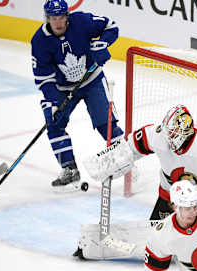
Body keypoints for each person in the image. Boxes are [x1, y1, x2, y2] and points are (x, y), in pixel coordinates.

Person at [84, 104, 197, 219]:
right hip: (170, 196)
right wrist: (108, 162)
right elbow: (129, 148)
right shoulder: (156, 134)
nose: (169, 138)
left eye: (174, 134)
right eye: (168, 132)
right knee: (157, 239)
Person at [31, 0, 123, 192]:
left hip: (92, 79)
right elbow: (43, 77)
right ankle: (69, 169)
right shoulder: (39, 41)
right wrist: (54, 100)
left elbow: (111, 26)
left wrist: (101, 45)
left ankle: (125, 160)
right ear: (47, 18)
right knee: (53, 123)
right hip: (63, 89)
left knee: (105, 123)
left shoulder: (82, 22)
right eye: (53, 18)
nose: (58, 22)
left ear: (67, 16)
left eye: (61, 17)